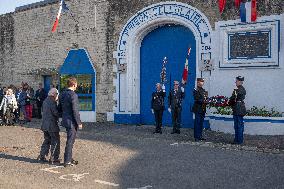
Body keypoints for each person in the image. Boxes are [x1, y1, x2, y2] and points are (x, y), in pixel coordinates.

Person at [58, 77, 83, 167]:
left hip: (65, 120)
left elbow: (59, 108)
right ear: (74, 84)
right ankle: (67, 160)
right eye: (76, 84)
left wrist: (63, 117)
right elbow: (75, 110)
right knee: (70, 141)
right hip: (72, 121)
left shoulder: (62, 94)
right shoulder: (73, 95)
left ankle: (69, 158)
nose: (76, 86)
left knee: (70, 140)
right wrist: (79, 122)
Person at [37, 88, 60, 164]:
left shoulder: (45, 100)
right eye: (57, 94)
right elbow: (55, 113)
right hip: (52, 125)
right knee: (55, 141)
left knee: (47, 141)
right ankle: (54, 158)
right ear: (54, 94)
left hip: (45, 125)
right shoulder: (52, 102)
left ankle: (42, 156)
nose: (57, 96)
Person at [229, 76, 247, 145]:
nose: (235, 82)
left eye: (236, 81)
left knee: (238, 125)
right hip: (237, 108)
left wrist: (228, 102)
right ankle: (237, 139)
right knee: (237, 125)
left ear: (240, 82)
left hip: (238, 108)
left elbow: (234, 98)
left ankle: (238, 141)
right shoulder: (239, 89)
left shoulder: (239, 89)